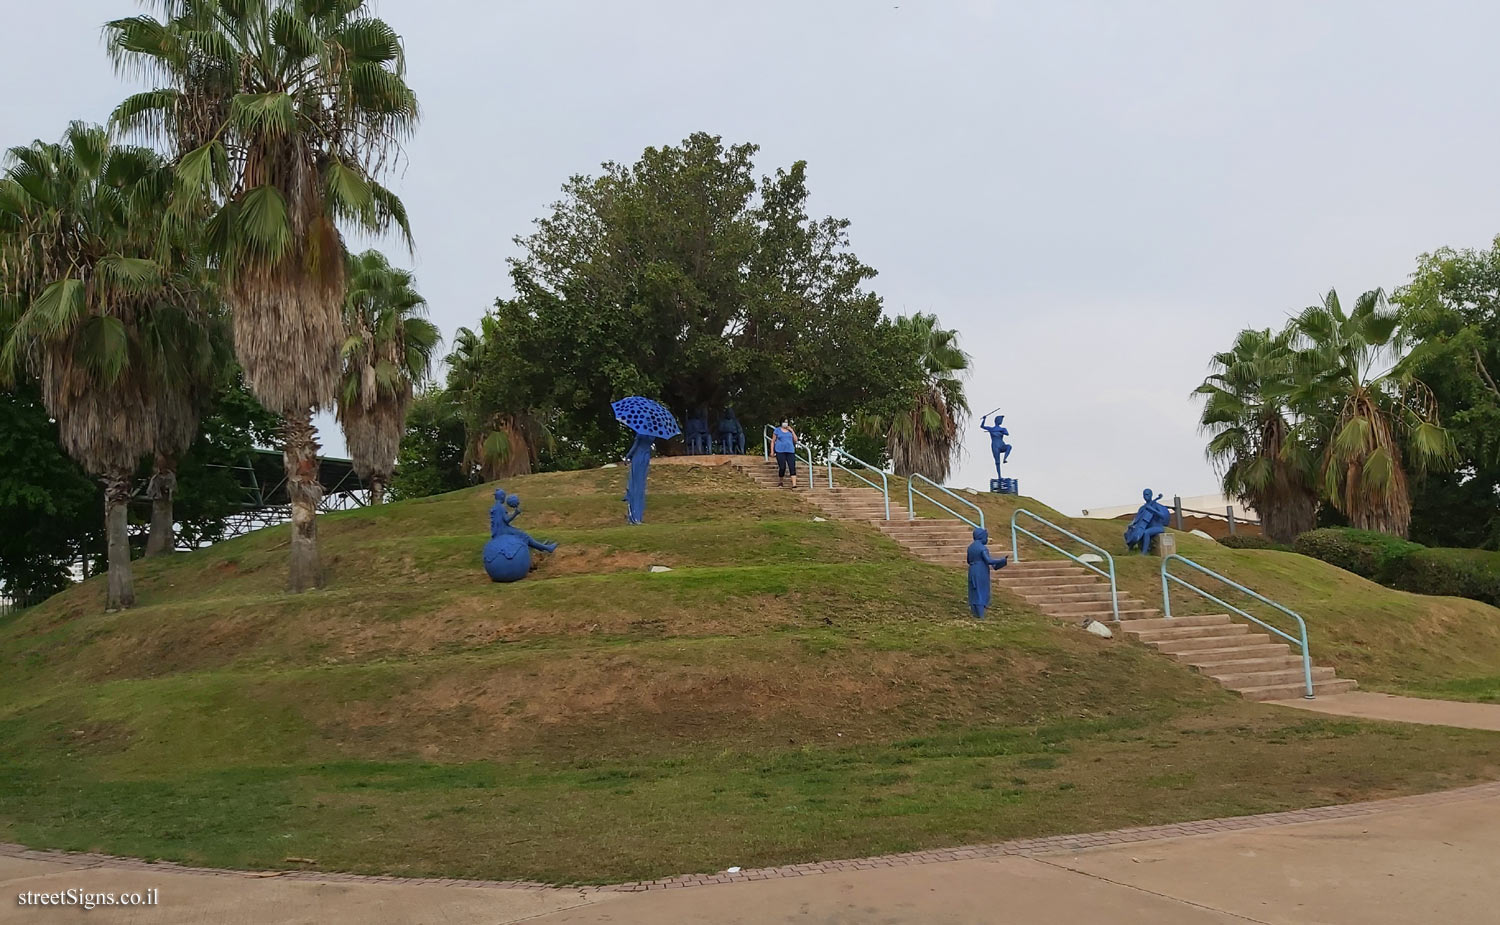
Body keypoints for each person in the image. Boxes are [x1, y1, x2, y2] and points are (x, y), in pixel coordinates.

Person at [966, 526, 1009, 619]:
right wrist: (1001, 560)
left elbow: (968, 560)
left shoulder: (970, 547)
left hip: (972, 569)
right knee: (982, 590)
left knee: (974, 590)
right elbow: (989, 561)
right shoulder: (983, 548)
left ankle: (975, 613)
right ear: (982, 537)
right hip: (981, 570)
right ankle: (981, 615)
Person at [772, 421, 798, 488]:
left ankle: (794, 484)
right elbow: (773, 441)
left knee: (792, 467)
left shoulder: (790, 430)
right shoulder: (777, 430)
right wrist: (772, 451)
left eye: (786, 422)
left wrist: (792, 431)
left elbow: (795, 440)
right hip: (780, 450)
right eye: (784, 422)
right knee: (782, 467)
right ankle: (780, 481)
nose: (785, 423)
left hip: (790, 451)